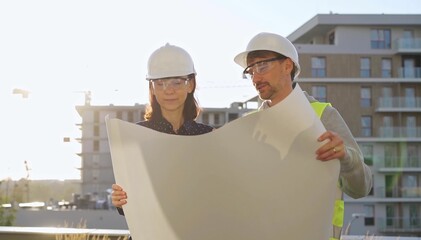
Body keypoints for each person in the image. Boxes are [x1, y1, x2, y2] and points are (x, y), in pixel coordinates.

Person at [234, 32, 373, 240]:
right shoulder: (249, 125)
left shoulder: (323, 116)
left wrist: (345, 157)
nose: (255, 77)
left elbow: (362, 187)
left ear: (287, 66)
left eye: (262, 66)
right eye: (250, 70)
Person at [111, 43, 214, 236]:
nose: (168, 90)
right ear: (152, 88)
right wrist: (120, 200)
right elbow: (130, 205)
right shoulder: (135, 137)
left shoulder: (208, 136)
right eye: (160, 83)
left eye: (177, 82)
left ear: (190, 84)